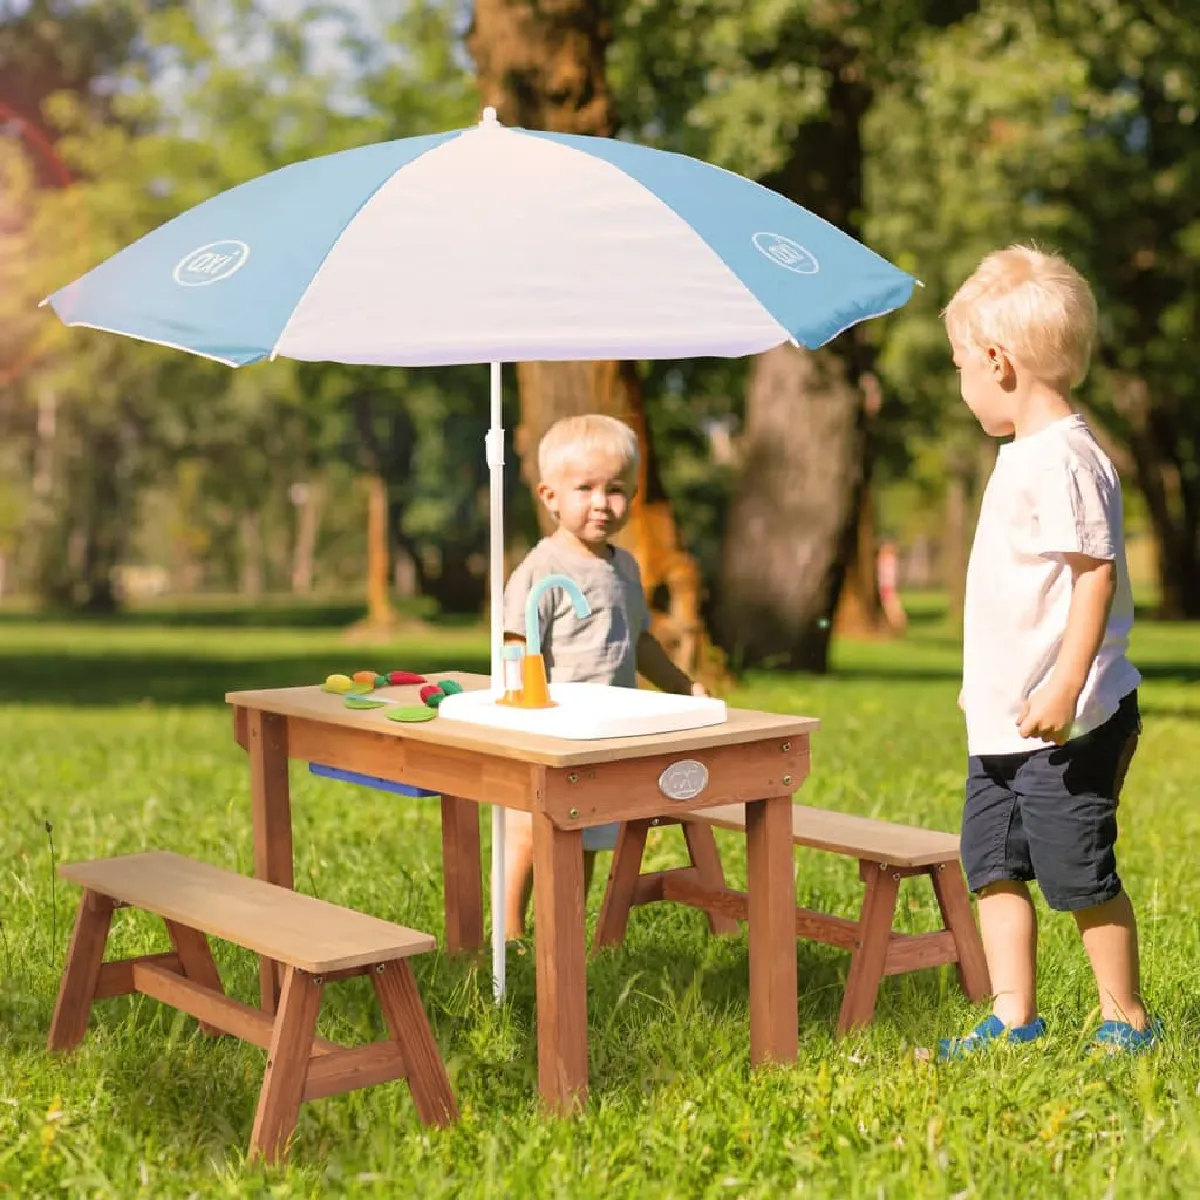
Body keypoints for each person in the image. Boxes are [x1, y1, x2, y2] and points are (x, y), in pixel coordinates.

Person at [938, 244, 1159, 1058]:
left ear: (997, 363)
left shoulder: (1067, 458)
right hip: (1004, 719)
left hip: (1070, 718)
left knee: (1076, 873)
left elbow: (1094, 579)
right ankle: (1013, 1014)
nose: (961, 383)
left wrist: (1066, 686)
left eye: (961, 365)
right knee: (992, 865)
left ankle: (1125, 1015)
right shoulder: (1027, 455)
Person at [500, 413, 706, 937]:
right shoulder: (543, 568)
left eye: (615, 489)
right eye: (585, 488)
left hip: (603, 733)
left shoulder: (626, 568)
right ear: (550, 497)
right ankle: (508, 932)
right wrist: (521, 700)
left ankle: (562, 924)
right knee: (527, 829)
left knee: (586, 831)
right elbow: (515, 641)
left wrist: (683, 687)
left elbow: (639, 641)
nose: (601, 502)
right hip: (548, 728)